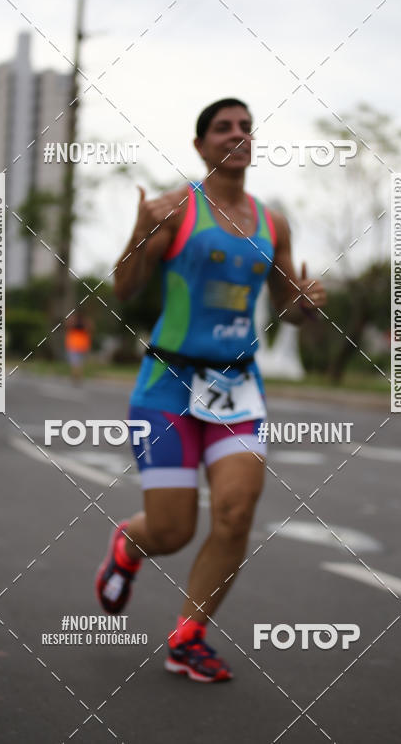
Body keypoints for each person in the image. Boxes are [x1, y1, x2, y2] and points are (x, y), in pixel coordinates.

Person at [95, 98, 327, 682]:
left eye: (246, 127)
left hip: (237, 387)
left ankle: (188, 637)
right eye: (223, 127)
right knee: (172, 531)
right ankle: (129, 546)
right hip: (167, 384)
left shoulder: (274, 224)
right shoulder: (175, 208)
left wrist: (304, 307)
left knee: (235, 512)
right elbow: (124, 288)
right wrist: (138, 228)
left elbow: (286, 307)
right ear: (200, 146)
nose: (238, 134)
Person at [65, 313, 92, 383]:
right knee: (78, 364)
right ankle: (77, 377)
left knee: (76, 363)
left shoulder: (76, 327)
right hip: (79, 346)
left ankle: (76, 377)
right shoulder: (81, 327)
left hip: (75, 346)